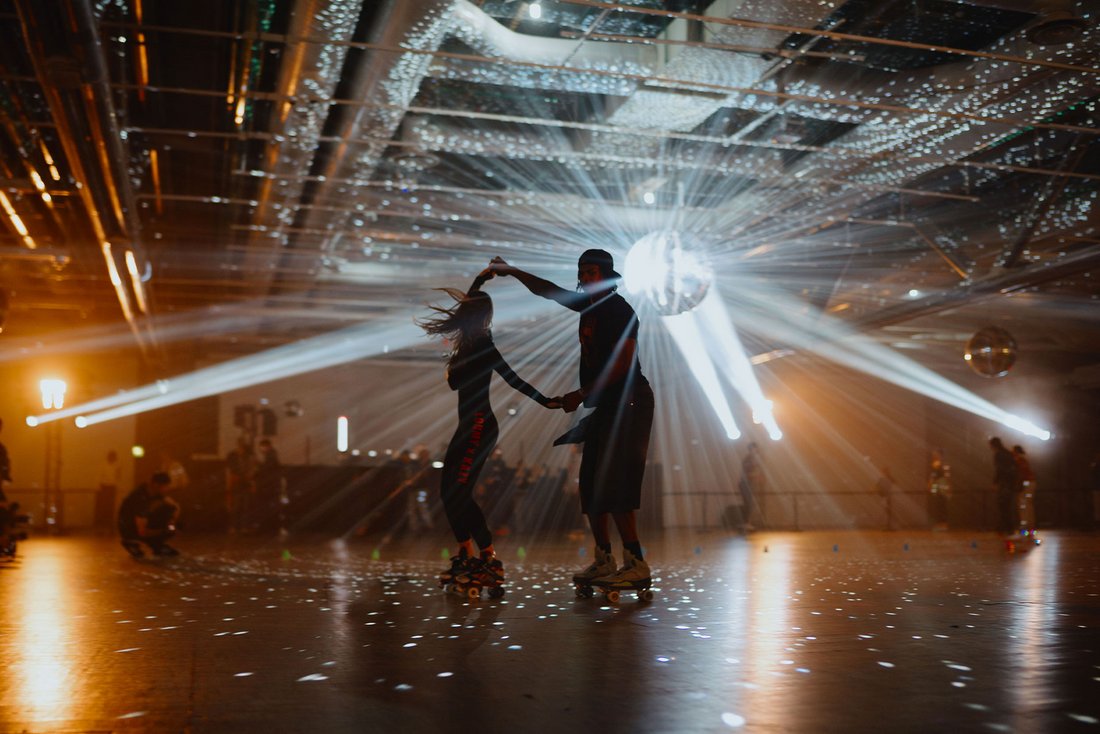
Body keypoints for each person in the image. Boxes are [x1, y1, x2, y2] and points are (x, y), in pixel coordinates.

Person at [489, 249, 655, 591]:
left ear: (607, 276)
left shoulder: (618, 310)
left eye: (593, 271)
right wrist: (512, 269)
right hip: (608, 404)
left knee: (616, 484)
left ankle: (636, 564)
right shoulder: (590, 306)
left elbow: (623, 365)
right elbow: (547, 290)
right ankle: (604, 559)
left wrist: (579, 395)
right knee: (592, 483)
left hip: (631, 402)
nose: (586, 277)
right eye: (582, 271)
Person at [417, 270, 561, 589]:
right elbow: (471, 306)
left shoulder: (483, 344)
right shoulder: (466, 343)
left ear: (474, 316)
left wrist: (547, 401)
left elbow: (512, 379)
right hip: (468, 426)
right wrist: (481, 280)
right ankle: (465, 554)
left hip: (480, 426)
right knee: (447, 492)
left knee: (461, 493)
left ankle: (490, 560)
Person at [117, 471, 180, 558]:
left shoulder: (154, 492)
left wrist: (171, 521)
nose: (167, 490)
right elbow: (142, 531)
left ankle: (157, 545)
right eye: (165, 487)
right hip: (129, 528)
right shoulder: (139, 498)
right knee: (167, 529)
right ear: (156, 485)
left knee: (169, 509)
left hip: (141, 524)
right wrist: (164, 530)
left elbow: (175, 507)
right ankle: (131, 542)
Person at [225, 436, 256, 533]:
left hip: (242, 482)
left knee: (243, 506)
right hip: (238, 482)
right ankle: (237, 526)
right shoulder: (234, 455)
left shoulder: (244, 456)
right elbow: (230, 470)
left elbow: (251, 469)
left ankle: (240, 526)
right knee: (238, 506)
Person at [989, 437, 1019, 536]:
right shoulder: (1009, 453)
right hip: (1011, 483)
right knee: (1008, 506)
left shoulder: (998, 455)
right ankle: (1009, 527)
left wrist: (995, 482)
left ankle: (1004, 527)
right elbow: (1014, 467)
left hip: (1004, 483)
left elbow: (999, 470)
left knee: (1002, 506)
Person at [254, 438, 284, 533]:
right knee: (271, 507)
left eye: (262, 447)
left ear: (267, 447)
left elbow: (267, 468)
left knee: (269, 507)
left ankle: (270, 528)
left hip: (270, 487)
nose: (261, 449)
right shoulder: (271, 455)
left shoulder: (271, 455)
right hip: (271, 486)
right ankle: (271, 527)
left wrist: (258, 465)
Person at [738, 442, 766, 532]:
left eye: (756, 449)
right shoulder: (748, 460)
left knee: (750, 504)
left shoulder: (753, 459)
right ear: (751, 449)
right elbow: (746, 474)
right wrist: (756, 475)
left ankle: (747, 523)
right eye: (754, 449)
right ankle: (746, 523)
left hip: (750, 484)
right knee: (748, 504)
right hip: (745, 484)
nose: (756, 450)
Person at [1012, 445, 1037, 539]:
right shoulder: (1024, 459)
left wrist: (1018, 484)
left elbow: (1021, 474)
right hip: (1031, 482)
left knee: (1023, 505)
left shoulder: (1019, 460)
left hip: (1026, 483)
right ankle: (1031, 526)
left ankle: (1025, 528)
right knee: (1029, 505)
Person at [95, 450, 123, 534]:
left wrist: (118, 487)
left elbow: (118, 478)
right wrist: (98, 487)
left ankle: (109, 526)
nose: (113, 459)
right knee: (103, 507)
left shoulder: (117, 466)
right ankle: (102, 525)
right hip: (104, 487)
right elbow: (99, 475)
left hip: (112, 487)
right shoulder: (103, 465)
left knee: (111, 507)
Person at [927, 448, 951, 530]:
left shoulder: (943, 465)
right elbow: (933, 476)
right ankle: (939, 524)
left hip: (941, 487)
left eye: (936, 454)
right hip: (937, 487)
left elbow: (946, 477)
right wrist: (931, 486)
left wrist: (948, 487)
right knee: (937, 505)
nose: (934, 455)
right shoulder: (935, 464)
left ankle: (943, 524)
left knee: (942, 505)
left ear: (940, 455)